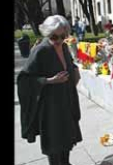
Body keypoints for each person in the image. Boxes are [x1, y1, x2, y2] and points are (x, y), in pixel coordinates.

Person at [17, 15, 82, 165]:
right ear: (47, 33)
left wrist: (75, 70)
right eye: (54, 37)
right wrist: (49, 80)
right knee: (54, 144)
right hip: (50, 107)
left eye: (63, 36)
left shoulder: (64, 47)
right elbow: (24, 80)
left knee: (67, 139)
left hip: (67, 100)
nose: (59, 40)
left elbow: (69, 64)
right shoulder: (41, 50)